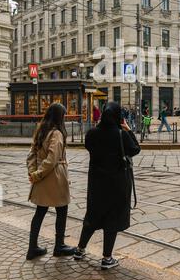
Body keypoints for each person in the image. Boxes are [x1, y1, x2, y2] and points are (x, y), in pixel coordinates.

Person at [73, 101, 141, 269]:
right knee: (112, 219)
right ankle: (107, 258)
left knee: (92, 216)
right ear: (119, 117)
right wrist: (128, 129)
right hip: (116, 184)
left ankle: (80, 250)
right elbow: (135, 149)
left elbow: (89, 146)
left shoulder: (92, 133)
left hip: (96, 183)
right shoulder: (120, 134)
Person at [26, 103, 75, 260]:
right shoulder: (57, 134)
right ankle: (59, 246)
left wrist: (33, 172)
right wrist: (38, 174)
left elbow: (32, 154)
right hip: (54, 177)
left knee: (40, 212)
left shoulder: (41, 130)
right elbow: (53, 159)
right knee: (62, 210)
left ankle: (32, 248)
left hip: (41, 177)